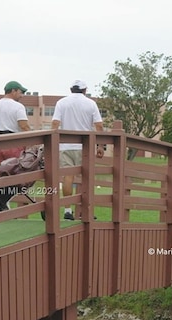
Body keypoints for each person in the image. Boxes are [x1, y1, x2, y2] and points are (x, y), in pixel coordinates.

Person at [51, 80, 104, 220]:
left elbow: (55, 123)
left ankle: (67, 210)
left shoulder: (61, 103)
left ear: (71, 89)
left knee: (68, 177)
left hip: (65, 145)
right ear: (85, 90)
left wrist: (52, 143)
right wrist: (100, 145)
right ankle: (87, 211)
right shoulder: (91, 103)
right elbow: (99, 126)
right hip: (85, 146)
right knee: (87, 178)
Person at [0, 80, 31, 164]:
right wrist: (33, 143)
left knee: (4, 172)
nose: (22, 96)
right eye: (20, 92)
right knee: (18, 172)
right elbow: (24, 126)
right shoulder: (18, 106)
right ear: (13, 91)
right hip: (13, 144)